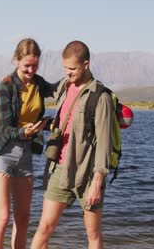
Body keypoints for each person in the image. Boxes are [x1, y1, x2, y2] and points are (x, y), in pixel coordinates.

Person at [31, 41, 114, 249]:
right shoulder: (64, 87)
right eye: (65, 68)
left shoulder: (99, 96)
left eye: (72, 69)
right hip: (60, 170)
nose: (67, 73)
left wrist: (97, 181)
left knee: (93, 234)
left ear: (86, 65)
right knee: (44, 229)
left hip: (88, 175)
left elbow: (105, 141)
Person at [0, 38, 58, 249]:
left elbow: (58, 90)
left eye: (35, 65)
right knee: (2, 217)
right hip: (2, 153)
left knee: (23, 218)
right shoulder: (6, 86)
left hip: (25, 153)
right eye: (27, 65)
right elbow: (4, 128)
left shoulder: (39, 83)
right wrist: (24, 131)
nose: (31, 70)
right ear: (16, 60)